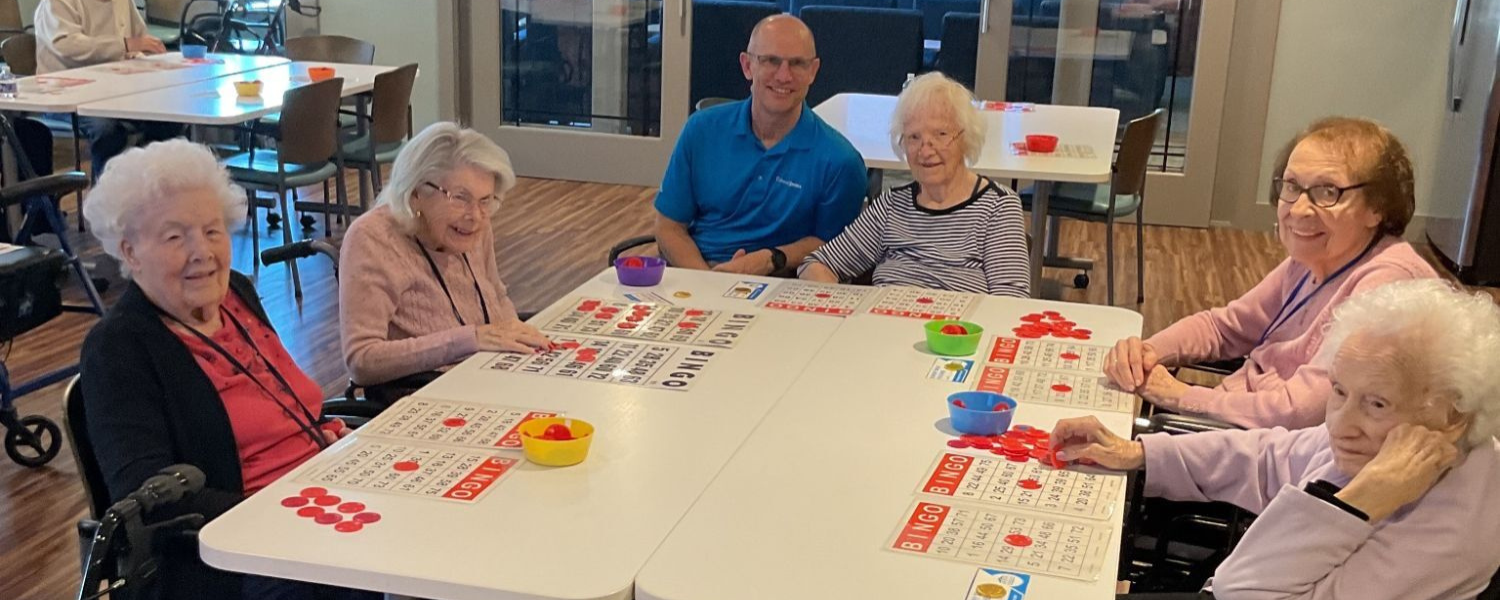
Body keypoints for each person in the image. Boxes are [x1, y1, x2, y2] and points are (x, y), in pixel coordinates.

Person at [1054, 279, 1500, 599]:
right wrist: (1140, 453)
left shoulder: (1456, 528)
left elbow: (1241, 591)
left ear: (1453, 415)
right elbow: (1268, 456)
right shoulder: (1377, 444)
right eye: (1338, 391)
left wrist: (1358, 502)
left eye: (1377, 404)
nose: (1341, 424)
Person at [79, 140, 376, 600]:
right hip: (231, 557)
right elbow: (149, 497)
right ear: (130, 252)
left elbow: (284, 405)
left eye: (212, 231)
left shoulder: (235, 294)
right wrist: (283, 512)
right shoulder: (117, 348)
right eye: (175, 237)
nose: (202, 252)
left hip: (320, 502)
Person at [1103, 117, 1437, 429]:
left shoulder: (1388, 289)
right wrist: (1146, 353)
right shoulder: (1317, 257)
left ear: (1377, 207)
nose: (1299, 209)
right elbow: (1223, 328)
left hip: (1263, 450)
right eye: (1292, 186)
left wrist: (1181, 396)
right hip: (1236, 419)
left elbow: (1301, 412)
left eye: (1328, 192)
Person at [339, 122, 549, 398]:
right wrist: (470, 339)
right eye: (460, 198)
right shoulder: (373, 238)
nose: (475, 216)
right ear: (416, 193)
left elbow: (496, 296)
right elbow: (362, 360)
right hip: (426, 397)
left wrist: (519, 337)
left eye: (486, 200)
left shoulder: (475, 224)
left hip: (492, 379)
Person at [653, 14, 867, 276]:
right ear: (747, 66)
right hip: (695, 274)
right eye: (771, 61)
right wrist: (708, 282)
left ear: (813, 71)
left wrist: (770, 259)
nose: (784, 76)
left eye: (797, 64)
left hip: (780, 282)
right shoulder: (701, 130)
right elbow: (669, 226)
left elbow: (833, 246)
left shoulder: (840, 161)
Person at [798, 72, 1029, 297]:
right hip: (884, 320)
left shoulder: (999, 208)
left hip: (959, 323)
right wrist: (841, 305)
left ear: (966, 138)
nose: (925, 151)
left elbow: (1010, 302)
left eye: (941, 134)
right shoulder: (891, 206)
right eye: (914, 137)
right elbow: (816, 264)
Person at [35, 0, 184, 175]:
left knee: (168, 118)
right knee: (106, 128)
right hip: (65, 97)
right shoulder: (57, 3)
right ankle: (107, 187)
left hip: (115, 92)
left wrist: (143, 54)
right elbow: (66, 45)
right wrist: (125, 44)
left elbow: (139, 38)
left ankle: (151, 180)